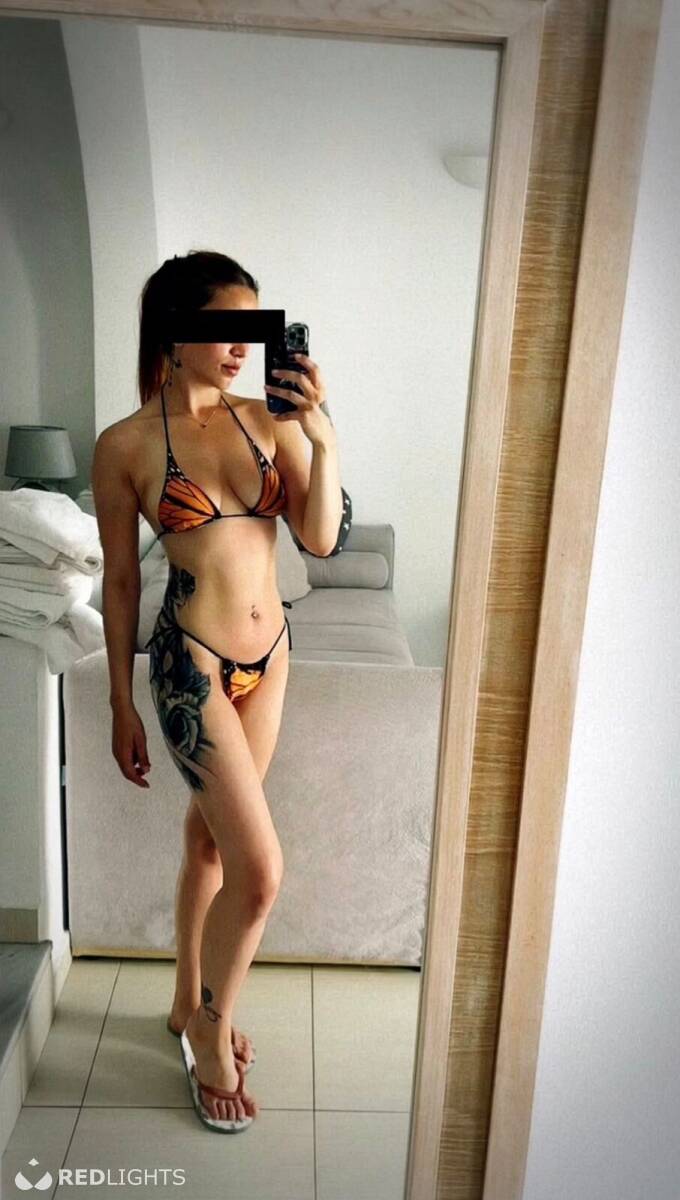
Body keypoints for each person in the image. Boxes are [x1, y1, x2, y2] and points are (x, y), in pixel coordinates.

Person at [91, 250, 350, 1132]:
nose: (243, 346)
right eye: (227, 327)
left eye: (253, 328)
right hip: (189, 664)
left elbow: (320, 539)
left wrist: (322, 435)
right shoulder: (125, 445)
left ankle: (182, 1000)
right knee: (260, 872)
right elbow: (121, 581)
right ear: (175, 331)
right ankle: (211, 1027)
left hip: (271, 657)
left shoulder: (267, 418)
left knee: (209, 844)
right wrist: (120, 701)